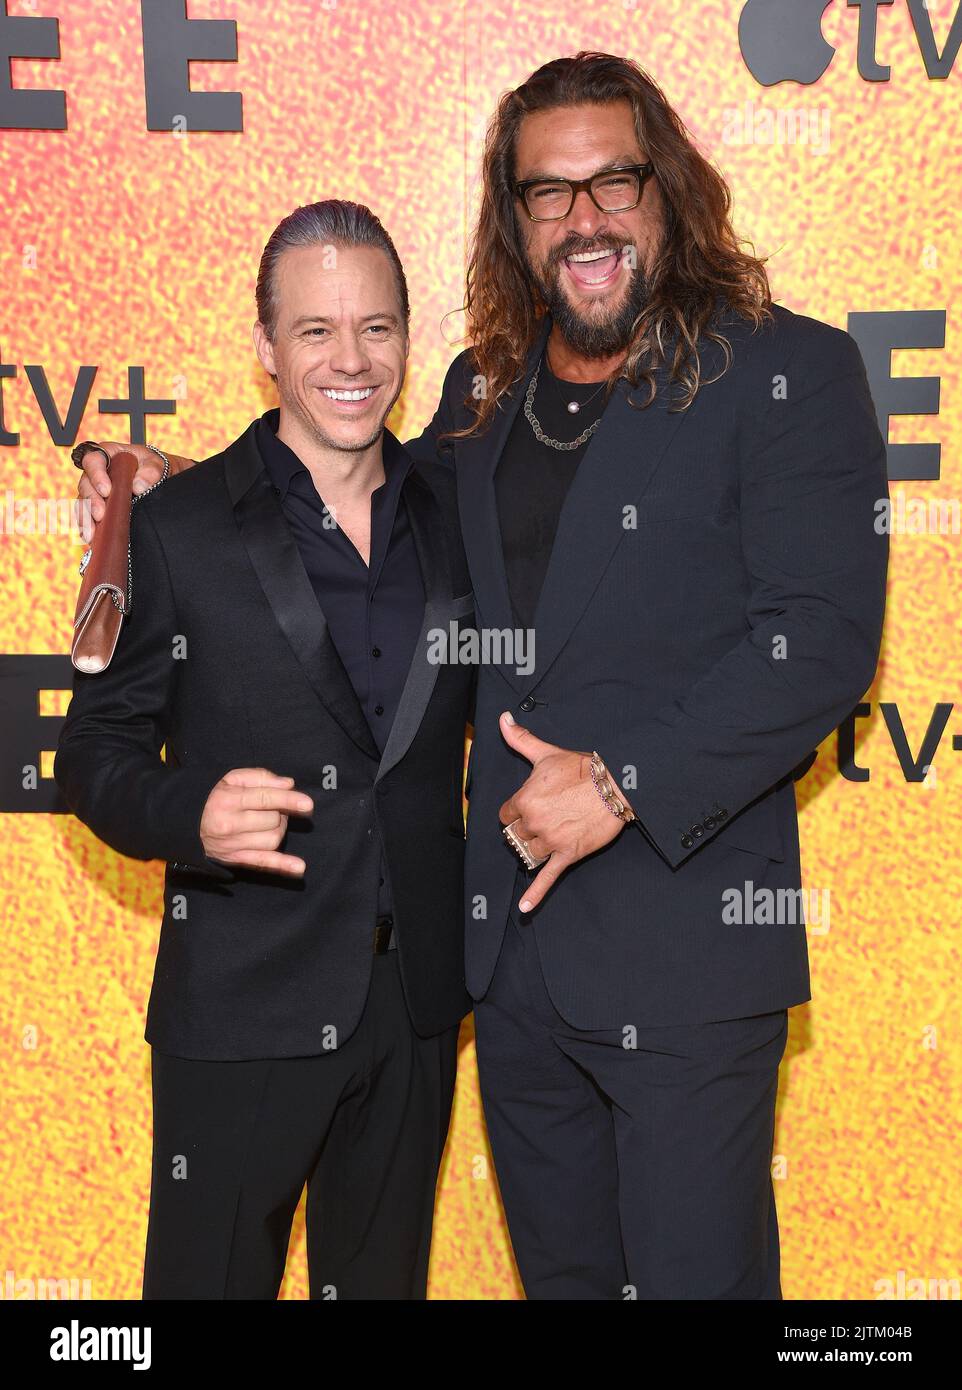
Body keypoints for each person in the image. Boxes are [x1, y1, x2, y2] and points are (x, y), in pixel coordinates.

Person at [75, 52, 889, 1300]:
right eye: (546, 194)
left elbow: (822, 642)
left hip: (682, 964)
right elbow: (360, 514)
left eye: (612, 181)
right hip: (504, 968)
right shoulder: (484, 390)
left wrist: (620, 785)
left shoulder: (784, 373)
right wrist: (180, 489)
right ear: (514, 220)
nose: (584, 219)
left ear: (667, 188)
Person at [57, 199, 475, 1300]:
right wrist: (185, 811)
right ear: (264, 349)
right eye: (316, 331)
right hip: (242, 1004)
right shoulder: (178, 524)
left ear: (404, 338)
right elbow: (89, 752)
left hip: (415, 1006)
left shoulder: (455, 508)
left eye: (376, 328)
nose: (351, 360)